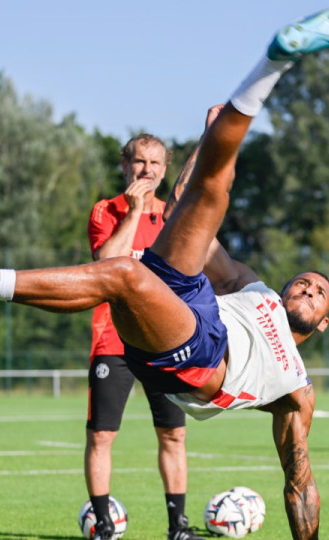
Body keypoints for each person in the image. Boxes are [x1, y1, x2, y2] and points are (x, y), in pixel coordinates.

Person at [0, 9, 329, 539]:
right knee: (213, 191)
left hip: (202, 360)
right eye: (303, 281)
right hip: (199, 303)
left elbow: (300, 483)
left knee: (124, 273)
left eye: (320, 291)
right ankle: (273, 64)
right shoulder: (252, 287)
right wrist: (206, 141)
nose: (307, 287)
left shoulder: (297, 391)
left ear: (323, 322)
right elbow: (188, 208)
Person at [87, 132, 204, 540]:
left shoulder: (175, 218)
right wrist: (134, 213)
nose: (147, 171)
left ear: (165, 168)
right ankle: (103, 526)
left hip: (163, 344)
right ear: (125, 166)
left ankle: (179, 527)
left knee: (173, 433)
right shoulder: (107, 210)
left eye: (155, 164)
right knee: (102, 434)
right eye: (139, 162)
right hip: (113, 340)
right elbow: (104, 265)